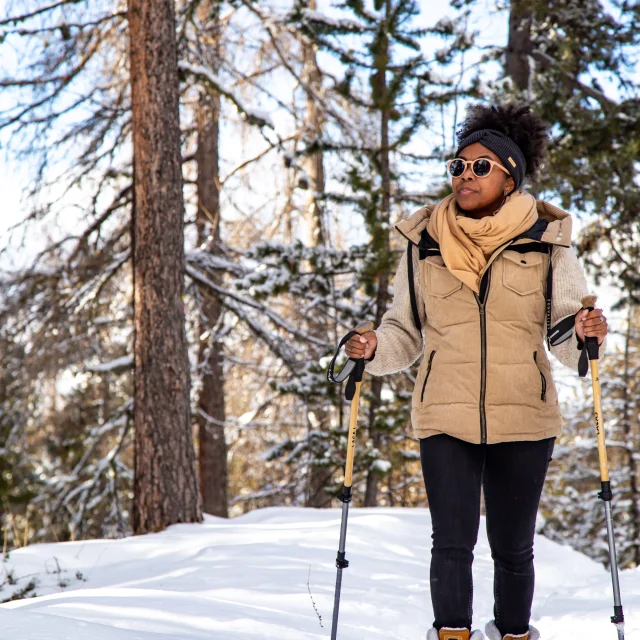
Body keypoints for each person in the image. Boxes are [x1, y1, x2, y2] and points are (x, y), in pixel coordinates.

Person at [345, 103, 608, 640]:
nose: (465, 175)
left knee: (513, 547)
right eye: (458, 166)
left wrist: (583, 334)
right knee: (451, 543)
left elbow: (562, 332)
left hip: (524, 414)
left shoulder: (547, 242)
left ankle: (514, 634)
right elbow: (405, 332)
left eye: (480, 167)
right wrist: (374, 346)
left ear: (509, 177)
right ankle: (452, 635)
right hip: (445, 409)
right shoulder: (424, 245)